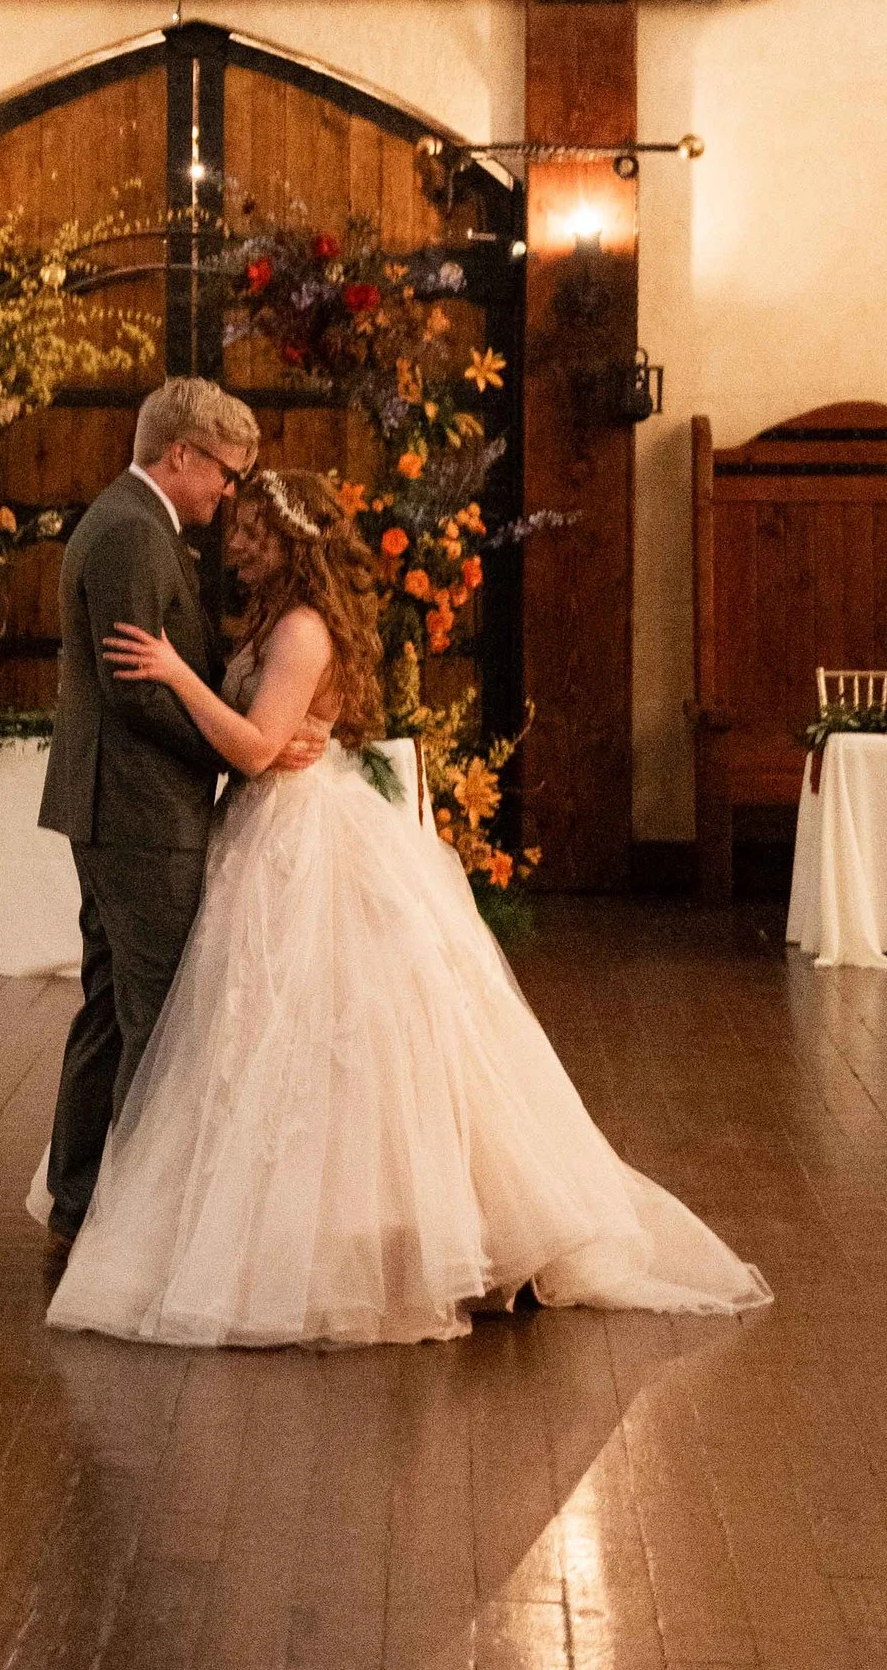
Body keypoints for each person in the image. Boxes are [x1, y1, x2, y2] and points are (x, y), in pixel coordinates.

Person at [49, 465, 771, 1348]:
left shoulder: (302, 630)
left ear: (294, 543)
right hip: (262, 833)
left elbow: (256, 748)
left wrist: (175, 675)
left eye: (254, 534)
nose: (236, 547)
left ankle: (355, 1234)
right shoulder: (273, 619)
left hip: (302, 834)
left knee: (323, 1036)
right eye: (238, 530)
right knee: (259, 1032)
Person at [37, 375, 273, 1246]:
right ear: (179, 453)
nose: (229, 493)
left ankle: (81, 1202)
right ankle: (135, 1226)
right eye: (225, 472)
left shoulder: (134, 523)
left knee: (110, 1009)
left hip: (119, 806)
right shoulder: (135, 532)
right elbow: (135, 692)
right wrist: (238, 747)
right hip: (139, 812)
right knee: (158, 1017)